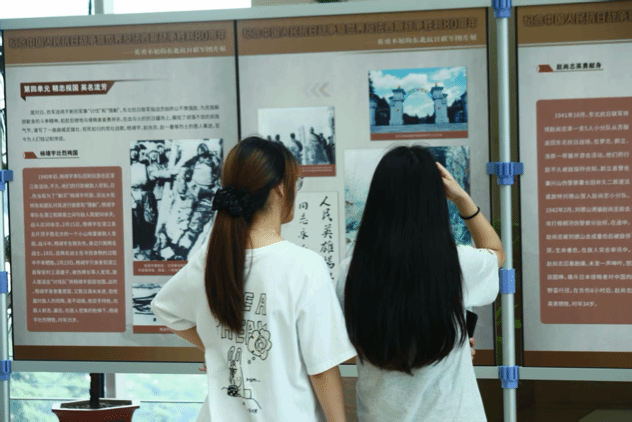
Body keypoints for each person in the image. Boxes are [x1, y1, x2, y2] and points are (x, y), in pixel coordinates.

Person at [151, 136, 356, 421]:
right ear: (280, 189)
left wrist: (216, 350)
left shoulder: (209, 258)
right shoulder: (304, 267)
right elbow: (322, 369)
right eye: (296, 183)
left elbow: (166, 309)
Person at [336, 145, 505, 422]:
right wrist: (463, 199)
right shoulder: (455, 263)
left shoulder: (351, 271)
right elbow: (496, 252)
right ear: (434, 200)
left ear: (377, 197)